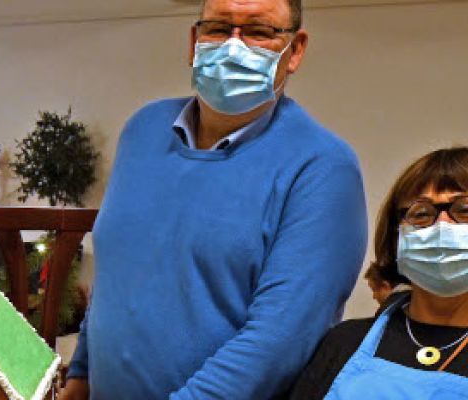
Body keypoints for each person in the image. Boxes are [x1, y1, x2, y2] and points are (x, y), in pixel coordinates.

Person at [62, 0, 368, 398]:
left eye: (258, 32)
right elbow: (116, 278)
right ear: (194, 41)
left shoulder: (322, 167)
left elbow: (279, 340)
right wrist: (81, 373)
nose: (233, 47)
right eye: (219, 28)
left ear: (295, 51)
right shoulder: (143, 130)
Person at [289, 147, 468, 398]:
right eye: (422, 214)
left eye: (464, 210)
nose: (443, 227)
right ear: (396, 237)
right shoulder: (344, 342)